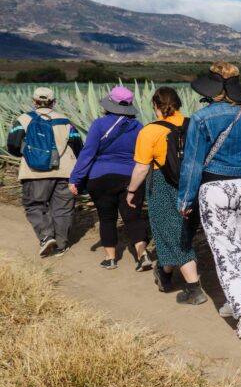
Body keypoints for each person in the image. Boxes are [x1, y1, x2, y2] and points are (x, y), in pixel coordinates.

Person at [177, 62, 241, 339]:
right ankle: (237, 304)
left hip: (215, 188)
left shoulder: (201, 118)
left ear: (211, 89)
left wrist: (185, 199)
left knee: (225, 253)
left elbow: (192, 163)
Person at [125, 87, 206, 304]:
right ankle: (165, 272)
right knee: (181, 230)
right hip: (192, 182)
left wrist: (132, 191)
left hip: (163, 184)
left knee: (171, 232)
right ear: (178, 104)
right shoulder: (193, 125)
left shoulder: (149, 131)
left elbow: (141, 168)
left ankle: (194, 289)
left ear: (156, 106)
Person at [69, 87, 151, 270]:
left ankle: (111, 259)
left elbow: (87, 153)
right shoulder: (139, 127)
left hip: (101, 177)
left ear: (109, 104)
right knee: (133, 217)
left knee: (107, 218)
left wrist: (75, 178)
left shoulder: (99, 124)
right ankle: (143, 254)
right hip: (131, 177)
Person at [6, 87, 83, 257]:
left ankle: (46, 236)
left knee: (34, 205)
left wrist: (27, 156)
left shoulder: (23, 120)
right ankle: (61, 245)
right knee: (63, 209)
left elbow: (12, 144)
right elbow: (78, 145)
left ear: (33, 102)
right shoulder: (66, 121)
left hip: (34, 172)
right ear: (53, 102)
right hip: (64, 171)